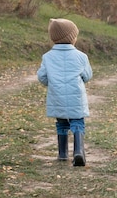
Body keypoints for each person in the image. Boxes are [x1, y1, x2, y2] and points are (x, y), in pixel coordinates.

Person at [37, 18, 93, 166]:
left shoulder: (47, 57)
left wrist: (53, 82)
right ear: (72, 38)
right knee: (78, 123)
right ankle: (79, 151)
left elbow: (42, 77)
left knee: (61, 123)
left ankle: (62, 153)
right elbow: (87, 76)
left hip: (57, 98)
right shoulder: (81, 57)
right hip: (76, 98)